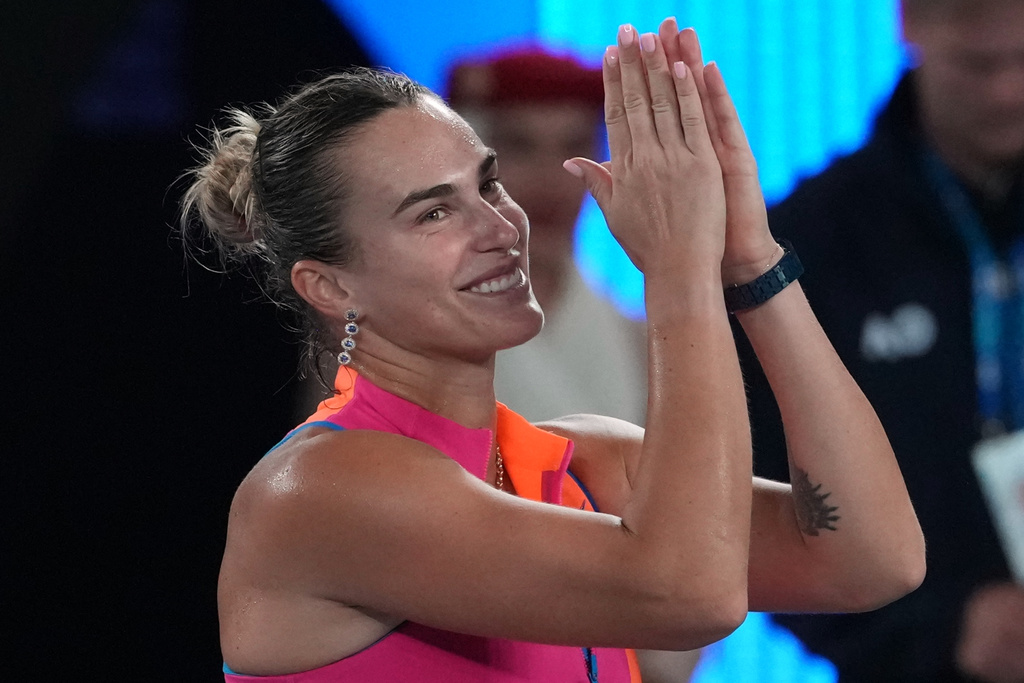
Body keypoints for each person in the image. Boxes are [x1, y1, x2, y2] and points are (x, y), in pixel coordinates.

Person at [181, 20, 925, 682]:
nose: (503, 226)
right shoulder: (318, 490)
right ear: (332, 286)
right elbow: (688, 593)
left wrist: (749, 259)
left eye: (488, 185)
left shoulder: (580, 461)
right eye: (434, 210)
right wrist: (678, 269)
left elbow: (875, 559)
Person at [740, 1, 1024, 681]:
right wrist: (945, 629)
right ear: (911, 25)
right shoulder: (808, 248)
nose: (1007, 90)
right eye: (978, 64)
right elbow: (763, 504)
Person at [445, 47, 647, 425]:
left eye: (573, 148)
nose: (550, 179)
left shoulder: (641, 344)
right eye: (522, 146)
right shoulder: (405, 333)